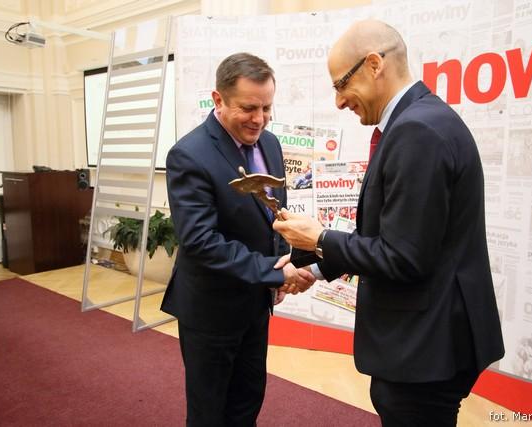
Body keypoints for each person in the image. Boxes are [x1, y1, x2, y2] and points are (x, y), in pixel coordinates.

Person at [273, 20, 505, 426]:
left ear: (374, 64)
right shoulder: (420, 120)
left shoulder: (417, 131)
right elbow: (391, 235)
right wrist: (312, 265)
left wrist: (320, 237)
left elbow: (403, 256)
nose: (339, 101)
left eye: (341, 85)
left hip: (425, 347)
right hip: (428, 340)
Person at [161, 52, 315, 427]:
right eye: (248, 108)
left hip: (256, 304)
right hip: (211, 311)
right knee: (210, 411)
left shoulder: (271, 144)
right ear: (218, 100)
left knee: (248, 399)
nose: (259, 119)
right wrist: (272, 272)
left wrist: (280, 268)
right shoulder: (188, 155)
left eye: (267, 108)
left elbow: (273, 215)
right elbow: (200, 241)